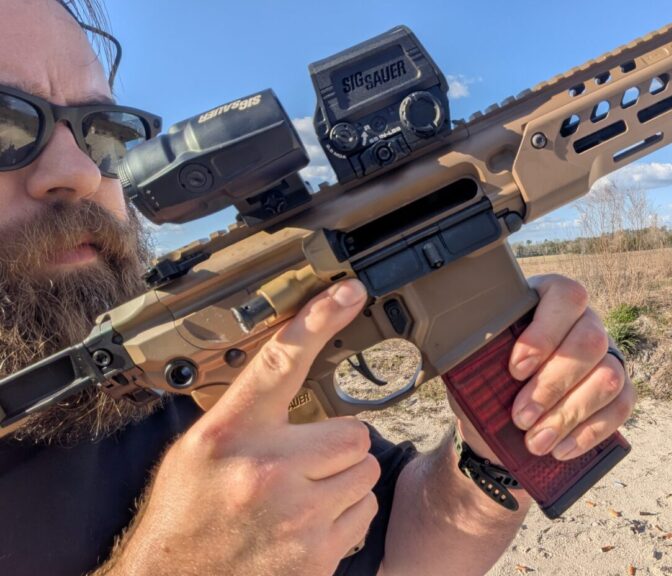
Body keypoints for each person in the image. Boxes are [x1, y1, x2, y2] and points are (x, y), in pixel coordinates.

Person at [0, 1, 636, 575]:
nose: (80, 173)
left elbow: (401, 555)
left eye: (105, 133)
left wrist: (495, 453)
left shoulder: (179, 375)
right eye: (5, 125)